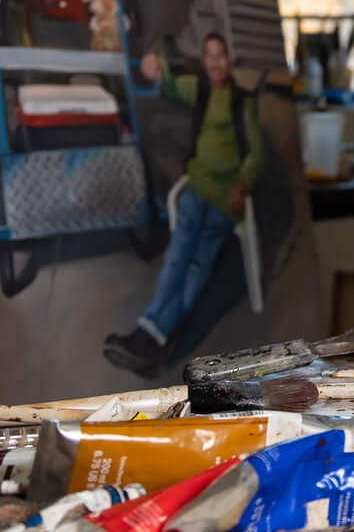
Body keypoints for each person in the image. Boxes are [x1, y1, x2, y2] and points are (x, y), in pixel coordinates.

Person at [103, 32, 264, 379]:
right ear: (205, 62)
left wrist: (243, 181)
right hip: (196, 186)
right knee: (180, 251)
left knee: (197, 265)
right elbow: (172, 85)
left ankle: (148, 340)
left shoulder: (243, 101)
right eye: (210, 56)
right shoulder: (201, 89)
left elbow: (257, 152)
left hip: (224, 197)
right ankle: (150, 339)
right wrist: (155, 67)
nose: (216, 63)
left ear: (229, 61)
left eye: (221, 56)